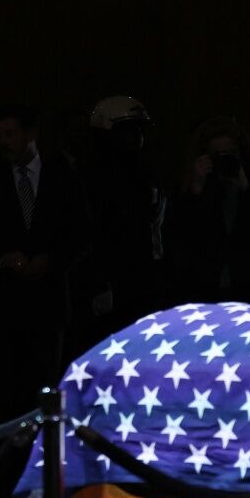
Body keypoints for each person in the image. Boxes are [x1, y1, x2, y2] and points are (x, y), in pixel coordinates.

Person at [0, 103, 90, 421]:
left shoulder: (62, 175)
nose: (4, 142)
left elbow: (81, 233)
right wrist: (4, 259)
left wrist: (51, 259)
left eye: (11, 133)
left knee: (45, 392)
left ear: (31, 134)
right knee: (5, 398)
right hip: (4, 309)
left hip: (48, 305)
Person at [80, 93, 167, 328]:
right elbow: (92, 232)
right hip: (114, 280)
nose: (136, 137)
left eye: (139, 130)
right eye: (127, 130)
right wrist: (100, 283)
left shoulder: (145, 172)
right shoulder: (94, 178)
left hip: (146, 277)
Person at [167, 115, 250, 306]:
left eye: (230, 153)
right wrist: (195, 189)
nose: (224, 160)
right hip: (205, 290)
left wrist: (247, 189)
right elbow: (183, 236)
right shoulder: (197, 187)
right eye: (217, 155)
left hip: (247, 288)